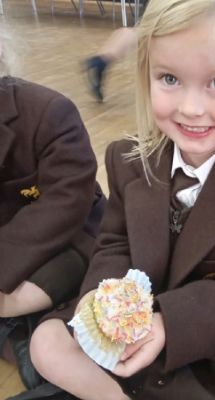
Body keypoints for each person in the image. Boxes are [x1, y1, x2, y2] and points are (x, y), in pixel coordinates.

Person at [30, 0, 215, 399]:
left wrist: (167, 324)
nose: (190, 108)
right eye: (169, 79)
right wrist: (97, 295)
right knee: (46, 343)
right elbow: (114, 242)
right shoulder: (127, 160)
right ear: (146, 75)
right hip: (136, 320)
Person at [0, 27, 106, 393]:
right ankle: (16, 332)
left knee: (32, 290)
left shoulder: (48, 111)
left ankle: (22, 326)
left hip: (70, 237)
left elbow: (67, 203)